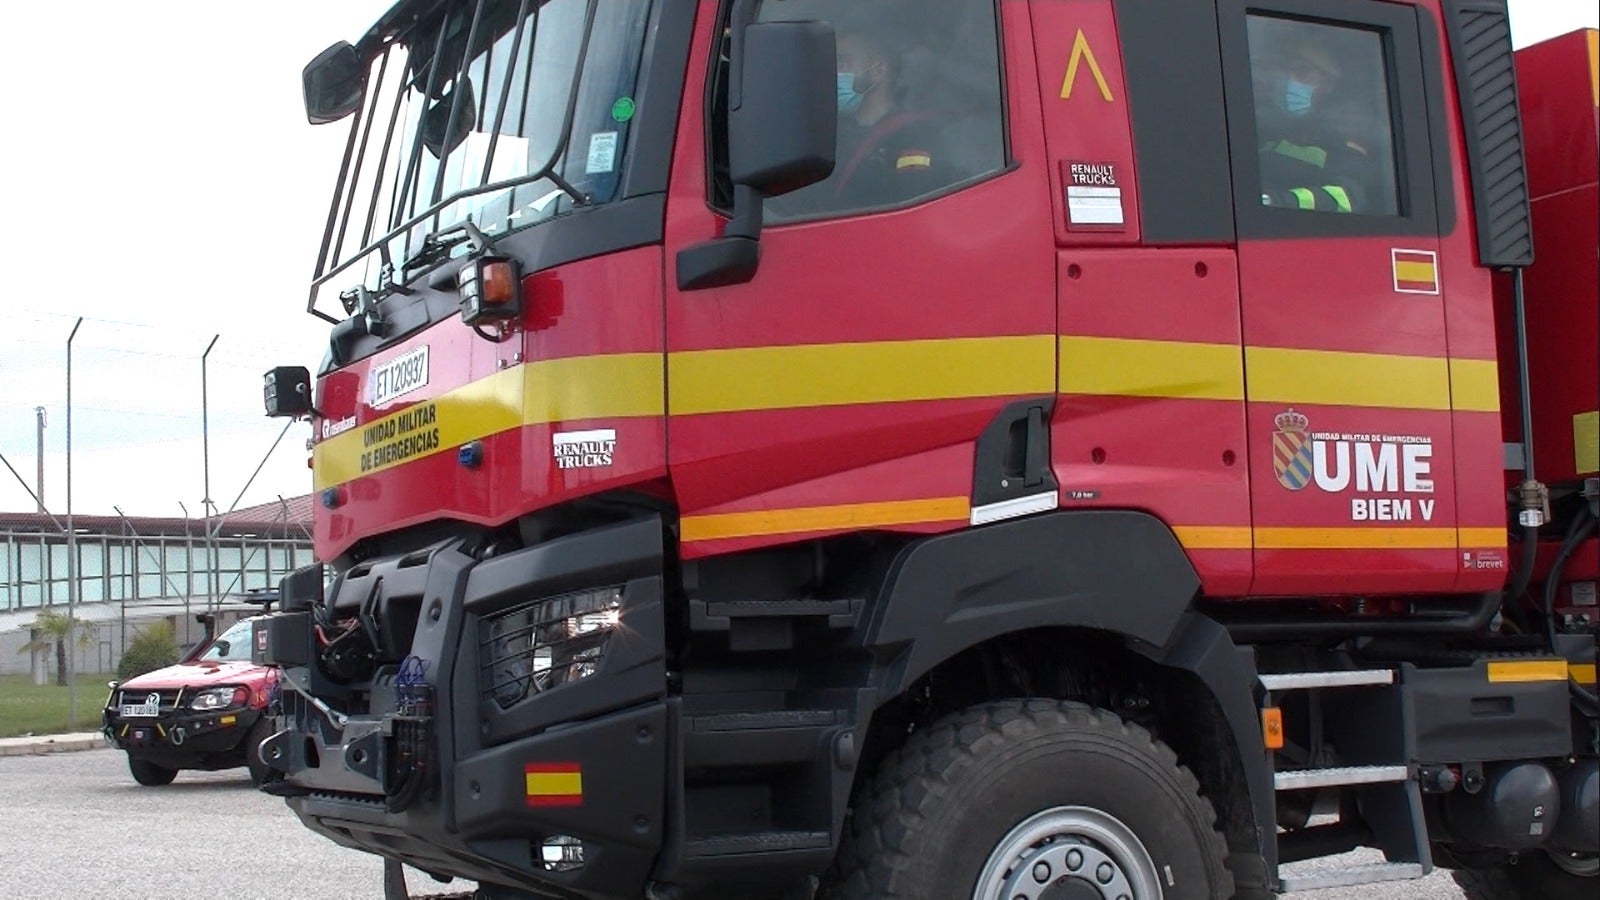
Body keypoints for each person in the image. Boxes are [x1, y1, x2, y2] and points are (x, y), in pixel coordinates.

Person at [1253, 39, 1375, 214]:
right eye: (1284, 72)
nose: (1288, 82)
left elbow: (1347, 196)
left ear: (1328, 85)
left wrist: (1275, 201)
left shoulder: (1342, 141)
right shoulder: (1259, 126)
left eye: (1302, 73)